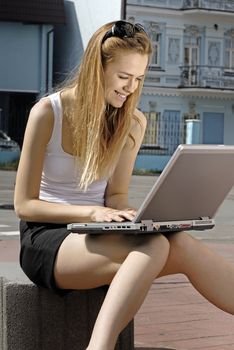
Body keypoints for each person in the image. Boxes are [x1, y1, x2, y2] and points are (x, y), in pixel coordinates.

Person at [14, 20, 234, 350]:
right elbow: (24, 204)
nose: (131, 87)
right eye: (123, 77)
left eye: (139, 79)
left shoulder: (132, 123)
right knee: (156, 246)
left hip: (96, 235)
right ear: (96, 68)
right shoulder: (48, 112)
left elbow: (115, 195)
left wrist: (128, 213)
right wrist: (93, 211)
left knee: (179, 243)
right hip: (47, 237)